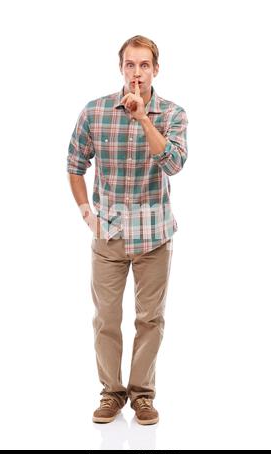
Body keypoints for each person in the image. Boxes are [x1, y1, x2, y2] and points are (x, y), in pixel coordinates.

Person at [67, 35, 188, 425]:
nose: (137, 73)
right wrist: (88, 212)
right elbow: (74, 164)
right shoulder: (95, 111)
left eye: (145, 65)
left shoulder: (172, 114)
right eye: (130, 65)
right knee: (105, 318)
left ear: (156, 70)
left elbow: (173, 165)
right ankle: (111, 393)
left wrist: (140, 118)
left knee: (149, 319)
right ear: (122, 68)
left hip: (155, 235)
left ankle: (142, 396)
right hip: (109, 234)